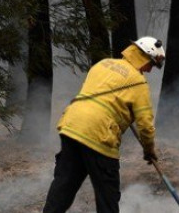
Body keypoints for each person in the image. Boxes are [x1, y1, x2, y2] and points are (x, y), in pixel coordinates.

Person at [43, 37, 165, 213]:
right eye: (151, 64)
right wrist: (149, 150)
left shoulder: (103, 64)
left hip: (71, 126)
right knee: (107, 197)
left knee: (63, 186)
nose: (150, 69)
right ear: (144, 57)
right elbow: (145, 126)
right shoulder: (139, 84)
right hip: (99, 135)